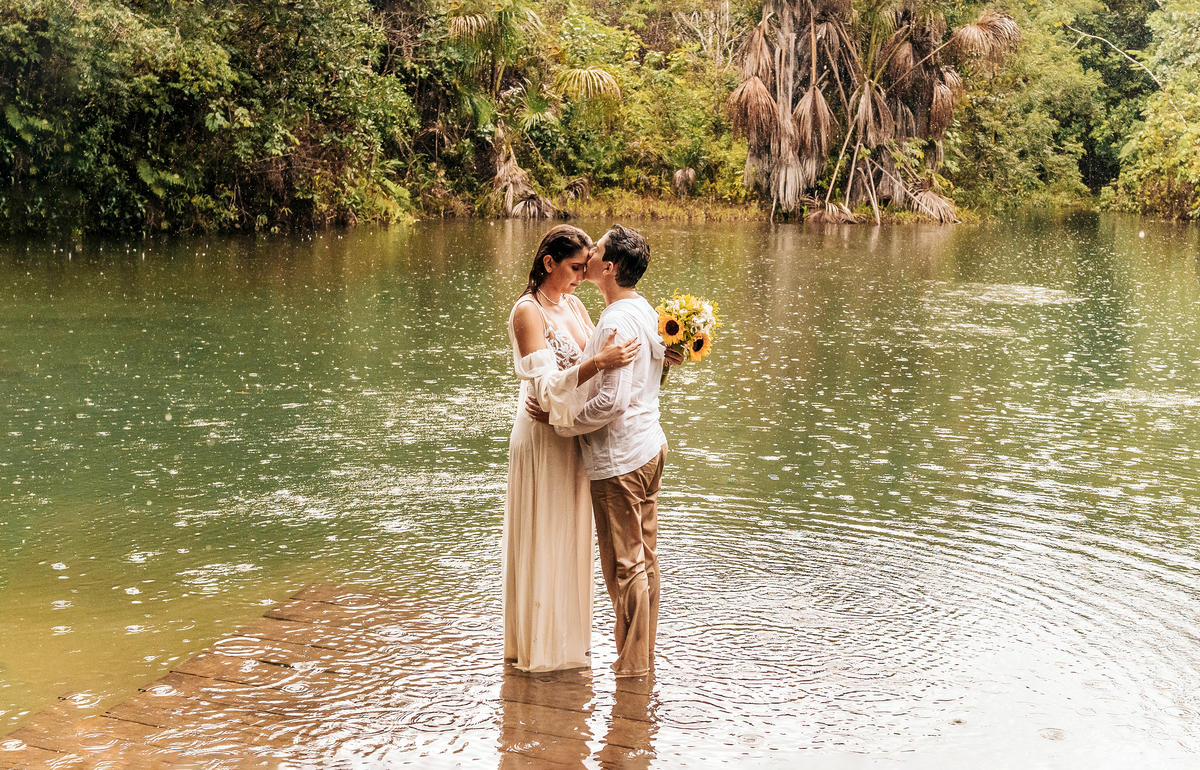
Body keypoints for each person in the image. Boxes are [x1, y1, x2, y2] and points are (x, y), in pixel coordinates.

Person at [529, 224, 669, 678]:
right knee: (645, 561)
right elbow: (652, 374)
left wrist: (561, 422)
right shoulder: (641, 308)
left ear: (607, 268)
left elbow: (611, 402)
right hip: (649, 447)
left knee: (625, 568)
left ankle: (632, 669)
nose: (588, 255)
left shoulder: (611, 319)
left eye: (597, 252)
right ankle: (642, 662)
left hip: (620, 460)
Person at [504, 224, 641, 672]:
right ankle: (539, 651)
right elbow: (543, 389)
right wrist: (597, 362)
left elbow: (610, 366)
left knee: (572, 539)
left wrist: (658, 354)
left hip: (574, 434)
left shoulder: (576, 304)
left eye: (586, 268)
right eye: (575, 268)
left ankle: (568, 647)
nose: (583, 277)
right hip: (542, 436)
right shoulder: (528, 312)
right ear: (549, 263)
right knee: (545, 534)